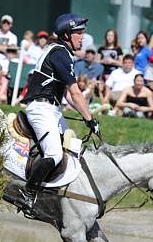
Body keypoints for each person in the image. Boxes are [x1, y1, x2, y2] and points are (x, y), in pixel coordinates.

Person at [18, 13, 99, 216]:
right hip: (41, 109)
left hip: (53, 110)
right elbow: (75, 93)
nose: (83, 36)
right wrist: (90, 120)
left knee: (72, 148)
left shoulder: (63, 53)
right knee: (54, 154)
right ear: (66, 35)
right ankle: (27, 195)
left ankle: (58, 193)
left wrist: (87, 116)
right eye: (79, 32)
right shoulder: (60, 53)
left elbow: (69, 98)